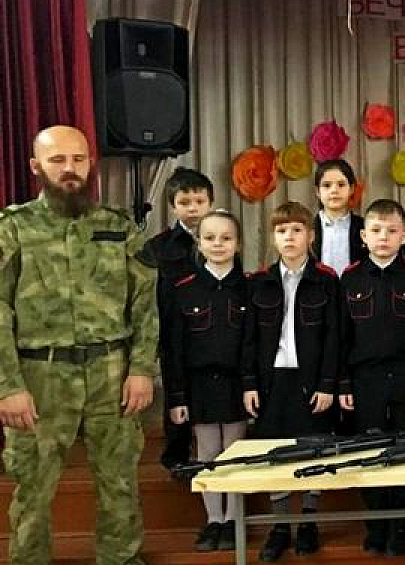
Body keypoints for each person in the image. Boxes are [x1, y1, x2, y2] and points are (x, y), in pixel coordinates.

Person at [0, 125, 158, 564]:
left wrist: (142, 369)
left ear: (90, 164)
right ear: (36, 167)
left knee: (120, 483)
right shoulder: (12, 229)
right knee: (33, 488)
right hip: (40, 377)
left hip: (112, 374)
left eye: (78, 159)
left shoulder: (119, 228)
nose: (69, 169)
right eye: (57, 160)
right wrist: (8, 386)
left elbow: (145, 305)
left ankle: (121, 559)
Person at [242, 202, 341, 561]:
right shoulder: (259, 282)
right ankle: (280, 524)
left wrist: (327, 384)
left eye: (297, 230)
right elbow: (249, 339)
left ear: (310, 236)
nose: (289, 237)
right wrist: (249, 383)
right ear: (273, 237)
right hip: (272, 379)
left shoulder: (326, 280)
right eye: (282, 231)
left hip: (310, 378)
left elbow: (334, 337)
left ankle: (309, 520)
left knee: (314, 448)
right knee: (276, 452)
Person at [338, 198, 405, 555]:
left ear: (404, 236)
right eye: (376, 230)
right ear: (363, 235)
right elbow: (341, 337)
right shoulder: (350, 278)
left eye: (392, 231)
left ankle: (401, 526)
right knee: (370, 453)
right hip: (364, 381)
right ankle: (376, 524)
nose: (383, 237)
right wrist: (343, 383)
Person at [163, 210, 249, 551]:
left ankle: (232, 520)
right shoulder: (184, 290)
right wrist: (177, 397)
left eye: (226, 238)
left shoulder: (249, 287)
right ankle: (214, 519)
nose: (218, 244)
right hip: (199, 385)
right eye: (210, 238)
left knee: (235, 452)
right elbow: (174, 348)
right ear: (198, 243)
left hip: (237, 384)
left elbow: (254, 343)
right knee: (208, 452)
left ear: (238, 244)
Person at [146, 167, 214, 472]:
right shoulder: (159, 246)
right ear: (173, 206)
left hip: (212, 330)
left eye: (199, 201)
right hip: (174, 331)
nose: (193, 208)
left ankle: (211, 454)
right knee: (176, 393)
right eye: (185, 202)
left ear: (210, 203)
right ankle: (176, 457)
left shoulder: (220, 238)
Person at [311, 159, 366, 276]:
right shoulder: (307, 228)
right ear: (317, 191)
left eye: (341, 185)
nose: (334, 190)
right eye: (327, 185)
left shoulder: (364, 227)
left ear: (351, 189)